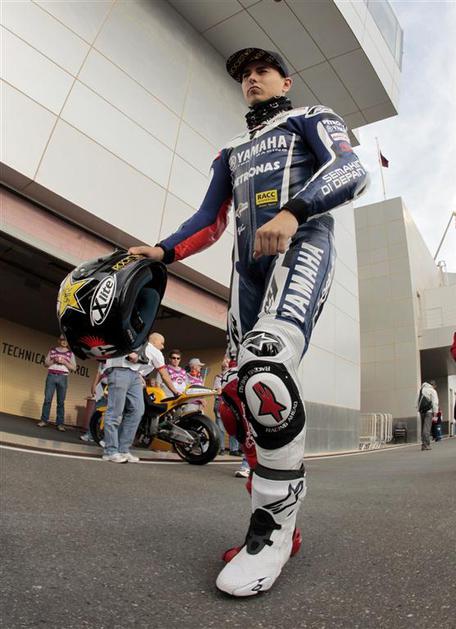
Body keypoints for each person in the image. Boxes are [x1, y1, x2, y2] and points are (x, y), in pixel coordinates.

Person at [129, 47, 367, 596]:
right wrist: (162, 251)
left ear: (286, 80)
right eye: (244, 75)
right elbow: (209, 219)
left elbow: (351, 169)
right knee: (238, 403)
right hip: (247, 275)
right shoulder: (231, 150)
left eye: (262, 71)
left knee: (266, 369)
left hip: (302, 247)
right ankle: (281, 522)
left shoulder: (311, 117)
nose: (252, 79)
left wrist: (293, 212)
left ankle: (272, 534)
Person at [37, 334, 76, 431]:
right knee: (47, 399)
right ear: (59, 340)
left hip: (63, 377)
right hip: (51, 375)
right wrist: (54, 360)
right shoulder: (52, 350)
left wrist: (65, 362)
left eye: (66, 340)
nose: (64, 341)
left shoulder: (70, 354)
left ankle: (60, 424)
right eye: (62, 339)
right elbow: (46, 364)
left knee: (61, 402)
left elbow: (74, 368)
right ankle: (44, 420)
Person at [418, 380, 439, 451]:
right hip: (429, 411)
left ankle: (423, 445)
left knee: (423, 428)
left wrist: (418, 409)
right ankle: (426, 445)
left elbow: (417, 400)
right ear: (433, 385)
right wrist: (435, 412)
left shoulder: (421, 389)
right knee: (427, 429)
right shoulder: (432, 391)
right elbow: (435, 402)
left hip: (422, 411)